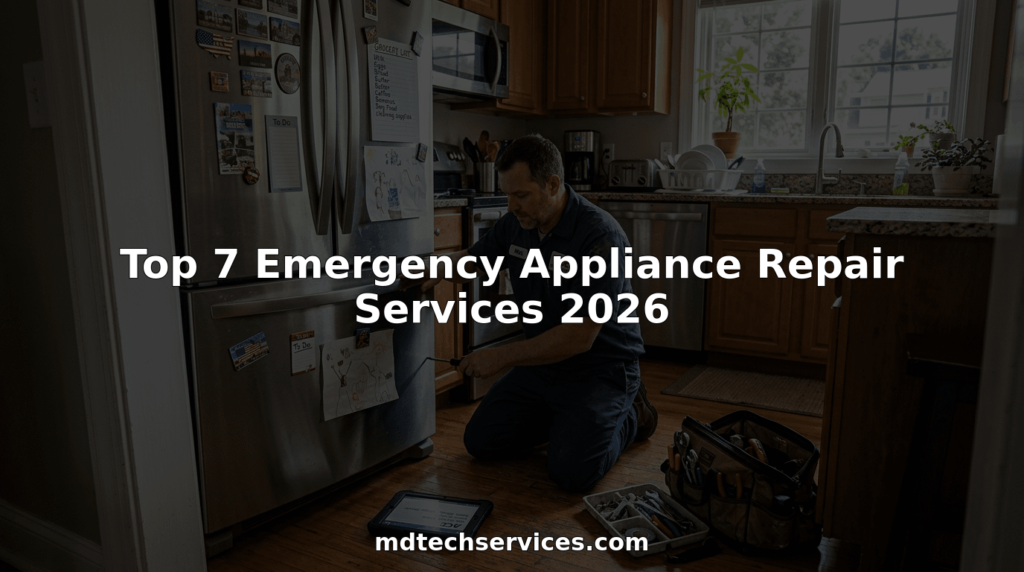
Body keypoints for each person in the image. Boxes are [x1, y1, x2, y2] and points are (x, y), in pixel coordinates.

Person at [415, 134, 657, 492]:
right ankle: (569, 422)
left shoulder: (600, 237)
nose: (511, 205)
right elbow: (474, 260)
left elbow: (579, 335)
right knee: (480, 442)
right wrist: (434, 268)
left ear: (553, 184)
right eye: (507, 195)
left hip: (601, 369)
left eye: (521, 195)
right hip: (544, 366)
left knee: (571, 474)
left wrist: (500, 356)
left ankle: (633, 413)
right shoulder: (517, 223)